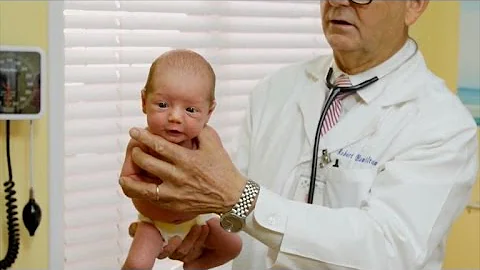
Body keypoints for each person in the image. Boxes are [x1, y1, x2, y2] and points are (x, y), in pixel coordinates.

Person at [120, 1, 479, 269]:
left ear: (414, 5)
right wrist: (202, 235)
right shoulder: (275, 90)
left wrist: (239, 199)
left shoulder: (443, 125)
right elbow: (234, 214)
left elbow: (388, 249)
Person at [121, 49, 242, 270]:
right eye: (163, 105)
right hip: (154, 225)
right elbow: (127, 181)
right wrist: (151, 192)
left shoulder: (208, 142)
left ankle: (194, 267)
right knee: (137, 264)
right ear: (143, 101)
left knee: (233, 245)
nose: (175, 117)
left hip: (198, 221)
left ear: (209, 112)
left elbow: (223, 178)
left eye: (190, 109)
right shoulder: (141, 143)